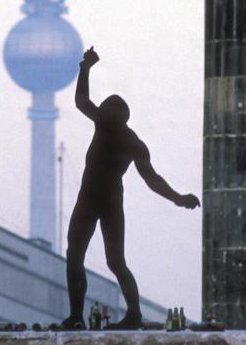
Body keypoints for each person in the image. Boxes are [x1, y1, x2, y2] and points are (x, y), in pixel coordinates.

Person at [61, 46, 200, 330]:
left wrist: (178, 198)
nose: (107, 111)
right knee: (81, 256)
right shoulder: (114, 130)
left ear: (121, 117)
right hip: (96, 200)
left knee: (108, 260)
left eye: (112, 108)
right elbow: (81, 100)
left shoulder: (126, 139)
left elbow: (152, 179)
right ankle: (78, 315)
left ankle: (127, 314)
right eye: (108, 107)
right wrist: (85, 68)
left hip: (103, 201)